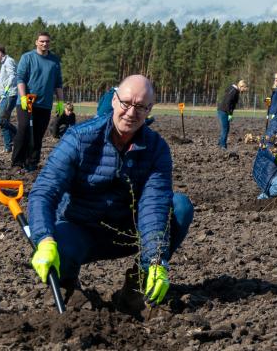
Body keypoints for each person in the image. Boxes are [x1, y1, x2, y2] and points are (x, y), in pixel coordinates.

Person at [27, 75, 193, 306]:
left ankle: (138, 285)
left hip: (127, 231)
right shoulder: (79, 139)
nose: (131, 112)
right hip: (80, 229)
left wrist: (156, 260)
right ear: (114, 100)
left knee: (180, 207)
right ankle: (69, 290)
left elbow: (153, 205)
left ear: (149, 109)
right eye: (126, 103)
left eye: (140, 106)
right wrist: (44, 240)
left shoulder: (156, 148)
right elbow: (44, 191)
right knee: (60, 248)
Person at [13, 31, 65, 171]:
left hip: (45, 104)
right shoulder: (27, 58)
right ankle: (17, 162)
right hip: (27, 102)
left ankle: (32, 163)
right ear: (36, 42)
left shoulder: (54, 61)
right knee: (23, 130)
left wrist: (61, 102)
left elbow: (58, 83)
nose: (44, 43)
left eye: (47, 41)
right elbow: (20, 79)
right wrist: (23, 97)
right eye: (42, 41)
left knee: (38, 134)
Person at [0, 44, 18, 154]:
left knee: (0, 120)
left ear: (0, 53)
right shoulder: (4, 63)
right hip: (5, 96)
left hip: (10, 95)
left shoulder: (9, 61)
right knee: (4, 121)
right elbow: (5, 77)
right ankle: (8, 146)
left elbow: (12, 75)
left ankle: (18, 134)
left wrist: (6, 88)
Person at [216, 79, 249, 149]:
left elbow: (231, 104)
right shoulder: (234, 91)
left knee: (226, 128)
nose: (243, 91)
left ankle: (220, 142)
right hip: (223, 111)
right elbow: (228, 103)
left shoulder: (234, 90)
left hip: (223, 110)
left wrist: (230, 113)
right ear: (241, 86)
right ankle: (223, 145)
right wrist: (229, 114)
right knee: (225, 128)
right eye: (244, 89)